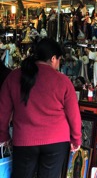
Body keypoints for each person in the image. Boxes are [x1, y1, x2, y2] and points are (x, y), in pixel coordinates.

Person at [0, 38, 82, 178]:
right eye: (59, 60)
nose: (58, 64)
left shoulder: (14, 77)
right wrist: (76, 139)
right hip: (56, 141)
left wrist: (3, 134)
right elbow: (73, 114)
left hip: (24, 140)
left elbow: (3, 111)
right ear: (53, 58)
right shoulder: (63, 81)